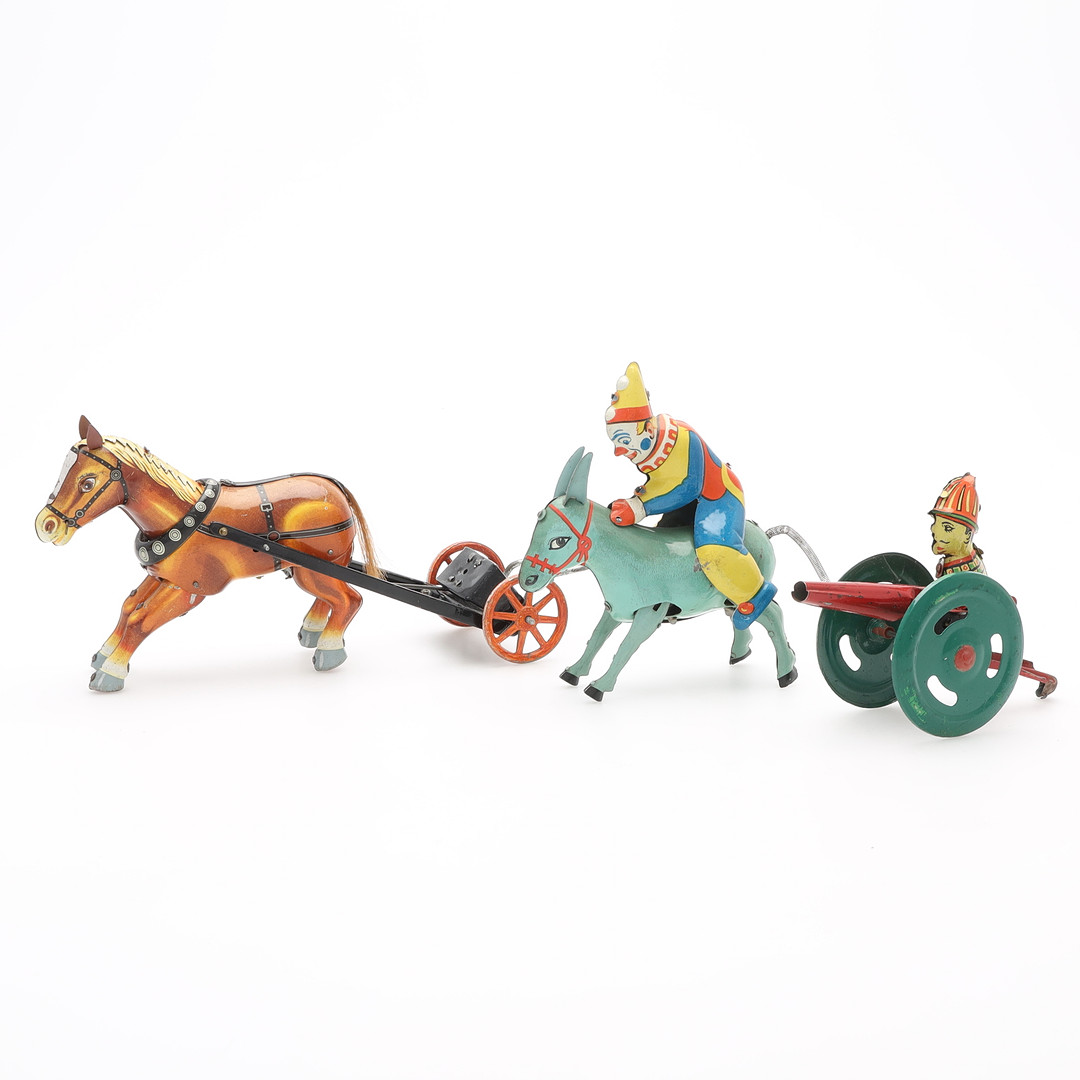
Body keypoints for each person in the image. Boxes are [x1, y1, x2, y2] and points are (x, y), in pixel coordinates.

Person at [605, 363, 776, 630]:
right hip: (685, 502)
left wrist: (640, 507)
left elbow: (687, 487)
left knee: (714, 549)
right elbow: (662, 483)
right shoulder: (650, 449)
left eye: (623, 441)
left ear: (648, 429)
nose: (618, 451)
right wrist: (636, 502)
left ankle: (754, 594)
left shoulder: (683, 439)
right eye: (615, 443)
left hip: (718, 497)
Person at [929, 473, 984, 577]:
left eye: (947, 528)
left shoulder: (966, 572)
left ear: (968, 535)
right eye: (936, 523)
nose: (935, 533)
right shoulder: (952, 562)